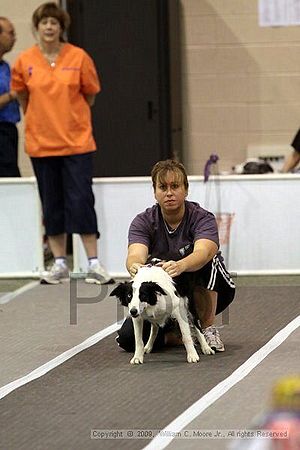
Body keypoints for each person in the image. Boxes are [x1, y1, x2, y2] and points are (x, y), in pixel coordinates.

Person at [11, 2, 113, 285]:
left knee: (81, 201)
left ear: (61, 27)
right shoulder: (25, 61)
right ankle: (59, 264)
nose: (48, 27)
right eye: (44, 22)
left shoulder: (79, 57)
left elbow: (90, 95)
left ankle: (93, 263)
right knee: (51, 202)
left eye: (54, 22)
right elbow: (23, 98)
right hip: (41, 145)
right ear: (36, 27)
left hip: (76, 144)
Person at [116, 159, 236, 353]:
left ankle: (206, 327)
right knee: (127, 340)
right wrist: (135, 266)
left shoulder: (202, 217)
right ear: (155, 191)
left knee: (208, 260)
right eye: (163, 187)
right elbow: (135, 253)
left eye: (175, 186)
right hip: (165, 292)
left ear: (186, 189)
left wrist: (181, 265)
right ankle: (179, 334)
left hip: (205, 285)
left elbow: (204, 251)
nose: (169, 193)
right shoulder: (143, 221)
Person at [0, 17, 21, 177]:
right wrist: (13, 95)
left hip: (8, 130)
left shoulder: (5, 66)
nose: (14, 38)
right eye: (11, 33)